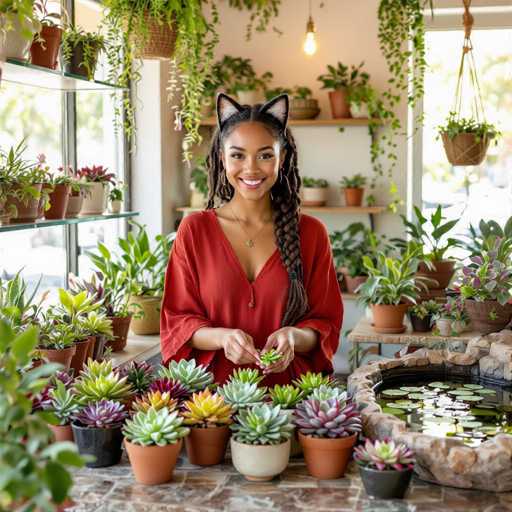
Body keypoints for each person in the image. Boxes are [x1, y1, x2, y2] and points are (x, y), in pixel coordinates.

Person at [160, 92, 343, 385]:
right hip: (211, 403)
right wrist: (223, 337)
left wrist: (293, 336)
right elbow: (177, 322)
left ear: (282, 160)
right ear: (222, 158)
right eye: (238, 155)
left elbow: (325, 324)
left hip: (290, 398)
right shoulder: (194, 230)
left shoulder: (311, 233)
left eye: (265, 155)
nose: (251, 168)